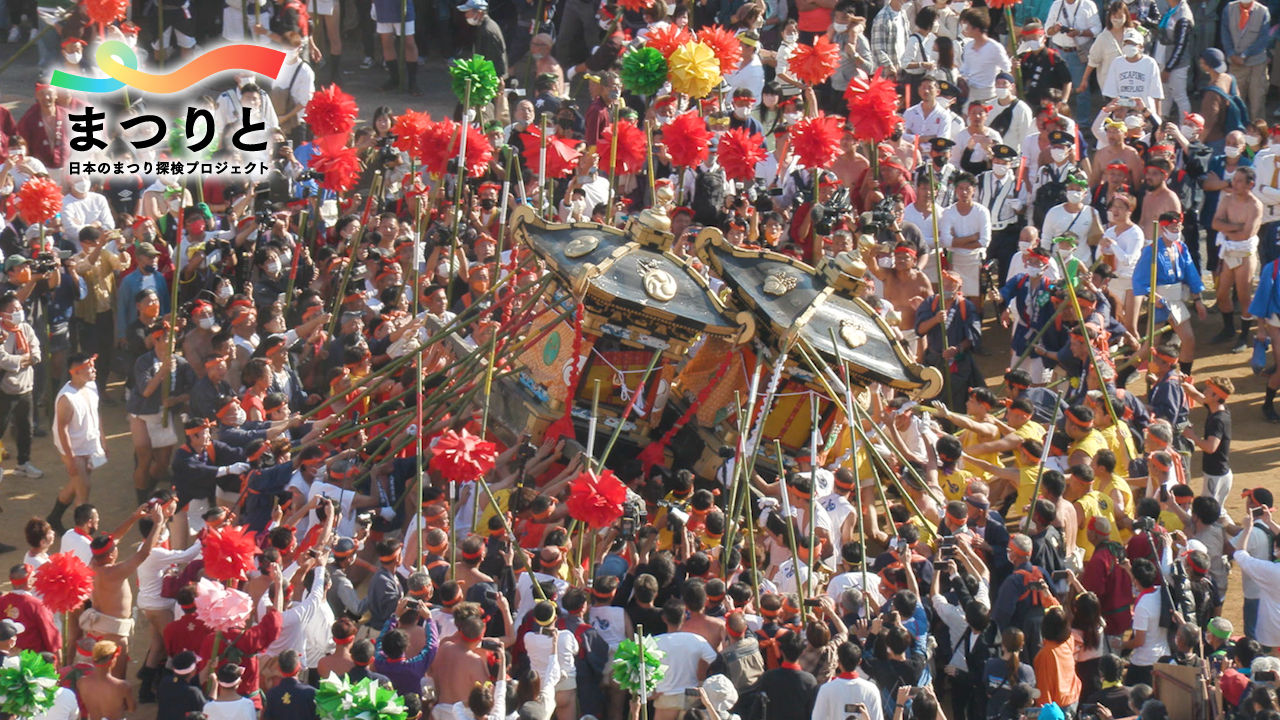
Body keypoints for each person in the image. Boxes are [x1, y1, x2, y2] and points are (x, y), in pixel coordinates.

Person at [46, 353, 106, 533]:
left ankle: (54, 517)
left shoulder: (91, 386)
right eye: (90, 368)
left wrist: (103, 441)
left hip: (88, 444)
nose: (94, 370)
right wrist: (71, 459)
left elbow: (96, 413)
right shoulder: (67, 399)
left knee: (77, 482)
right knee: (83, 491)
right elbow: (62, 430)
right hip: (73, 449)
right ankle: (83, 533)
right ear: (77, 372)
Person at [0, 290, 42, 480]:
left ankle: (23, 463)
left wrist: (20, 360)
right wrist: (25, 360)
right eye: (13, 309)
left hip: (26, 387)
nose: (19, 312)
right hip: (4, 389)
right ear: (3, 313)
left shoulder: (25, 329)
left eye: (20, 308)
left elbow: (36, 354)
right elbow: (3, 361)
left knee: (26, 428)